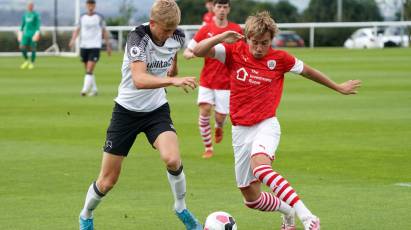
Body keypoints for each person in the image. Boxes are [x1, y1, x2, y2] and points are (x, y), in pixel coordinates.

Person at [193, 11, 361, 230]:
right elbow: (198, 51)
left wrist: (338, 87)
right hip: (240, 131)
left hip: (266, 125)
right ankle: (287, 211)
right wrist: (221, 37)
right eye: (255, 42)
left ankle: (308, 217)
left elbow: (309, 72)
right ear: (247, 38)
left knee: (261, 168)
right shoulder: (234, 52)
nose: (259, 48)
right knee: (251, 198)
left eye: (265, 43)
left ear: (272, 40)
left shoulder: (280, 59)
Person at [78, 0, 202, 230]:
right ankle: (86, 215)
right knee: (107, 181)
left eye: (173, 30)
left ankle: (181, 207)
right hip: (126, 112)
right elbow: (139, 79)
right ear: (153, 23)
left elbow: (172, 58)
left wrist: (173, 71)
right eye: (165, 30)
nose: (169, 34)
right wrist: (173, 80)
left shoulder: (176, 35)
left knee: (173, 159)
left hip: (156, 110)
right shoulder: (138, 37)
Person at [184, 0, 242, 159]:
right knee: (204, 110)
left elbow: (243, 51)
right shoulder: (205, 29)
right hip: (207, 80)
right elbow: (188, 51)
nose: (222, 10)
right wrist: (194, 54)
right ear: (213, 8)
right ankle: (208, 147)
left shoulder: (236, 29)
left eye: (225, 7)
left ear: (229, 9)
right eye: (219, 6)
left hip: (226, 82)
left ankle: (219, 126)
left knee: (220, 116)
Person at [69, 0, 111, 97]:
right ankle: (95, 89)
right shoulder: (82, 17)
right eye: (89, 5)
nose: (90, 7)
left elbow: (104, 31)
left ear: (94, 6)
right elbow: (77, 29)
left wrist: (108, 45)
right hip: (84, 46)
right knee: (88, 71)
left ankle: (84, 90)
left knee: (89, 69)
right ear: (86, 6)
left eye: (92, 5)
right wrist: (72, 40)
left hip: (95, 46)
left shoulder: (99, 17)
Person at [18, 1, 41, 70]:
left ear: (32, 6)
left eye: (31, 5)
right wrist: (20, 33)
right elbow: (22, 25)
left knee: (33, 48)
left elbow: (38, 25)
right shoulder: (25, 15)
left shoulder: (36, 15)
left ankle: (32, 63)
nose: (29, 6)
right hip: (26, 34)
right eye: (28, 5)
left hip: (33, 34)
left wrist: (37, 33)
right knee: (22, 47)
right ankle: (26, 60)